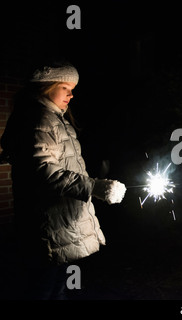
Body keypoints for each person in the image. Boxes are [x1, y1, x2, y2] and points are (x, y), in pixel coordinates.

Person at [0, 62, 127, 299]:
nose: (72, 93)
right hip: (48, 223)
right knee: (45, 288)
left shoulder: (54, 118)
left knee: (56, 284)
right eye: (65, 87)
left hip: (60, 222)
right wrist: (95, 187)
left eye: (73, 88)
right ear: (46, 88)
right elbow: (45, 171)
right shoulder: (40, 120)